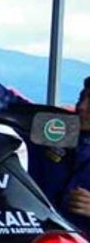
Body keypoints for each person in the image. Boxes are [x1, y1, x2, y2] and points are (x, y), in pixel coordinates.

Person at [29, 77, 90, 234]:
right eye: (81, 98)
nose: (81, 107)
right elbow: (13, 108)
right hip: (37, 238)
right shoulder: (60, 129)